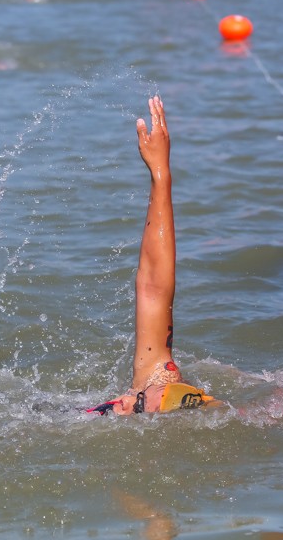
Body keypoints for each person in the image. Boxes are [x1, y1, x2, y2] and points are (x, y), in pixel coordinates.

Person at [88, 96, 218, 416]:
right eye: (141, 401)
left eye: (143, 402)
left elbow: (153, 285)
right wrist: (159, 173)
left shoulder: (162, 383)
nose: (130, 402)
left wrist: (162, 174)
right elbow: (152, 287)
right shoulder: (151, 378)